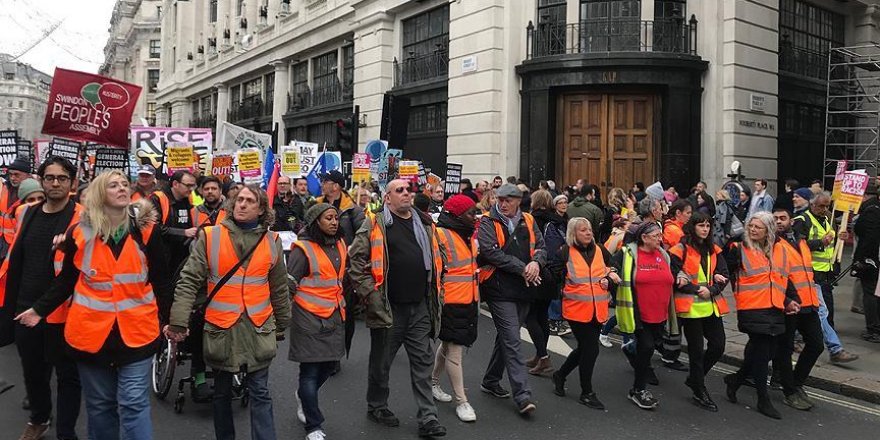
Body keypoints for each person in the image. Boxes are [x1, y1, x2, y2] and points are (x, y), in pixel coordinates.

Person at [16, 170, 174, 440]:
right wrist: (39, 309)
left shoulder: (146, 230)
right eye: (113, 185)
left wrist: (173, 321)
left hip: (137, 334)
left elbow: (161, 279)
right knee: (100, 407)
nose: (122, 188)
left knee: (133, 403)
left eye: (125, 184)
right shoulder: (81, 231)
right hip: (90, 336)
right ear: (101, 194)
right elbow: (67, 279)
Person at [166, 184, 291, 440]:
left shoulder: (272, 241)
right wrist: (178, 321)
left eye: (250, 201)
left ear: (262, 210)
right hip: (222, 328)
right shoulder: (211, 236)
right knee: (222, 394)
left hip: (258, 327)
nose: (242, 204)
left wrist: (282, 322)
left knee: (260, 391)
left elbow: (279, 287)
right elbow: (189, 280)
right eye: (239, 199)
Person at [348, 179, 447, 438]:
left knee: (423, 363)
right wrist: (370, 294)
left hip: (420, 306)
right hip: (388, 308)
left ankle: (428, 417)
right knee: (381, 363)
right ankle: (377, 405)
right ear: (387, 198)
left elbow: (440, 256)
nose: (406, 194)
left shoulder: (425, 223)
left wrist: (439, 285)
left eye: (408, 190)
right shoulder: (374, 223)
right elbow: (356, 262)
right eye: (399, 190)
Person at [0, 157, 82, 440]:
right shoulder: (26, 213)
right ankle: (39, 417)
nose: (55, 183)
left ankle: (67, 431)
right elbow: (15, 258)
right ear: (41, 180)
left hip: (65, 309)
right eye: (50, 177)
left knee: (67, 375)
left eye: (61, 178)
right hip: (26, 307)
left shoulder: (83, 216)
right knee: (33, 371)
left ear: (72, 183)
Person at [476, 183, 546, 415]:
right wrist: (524, 267)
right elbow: (490, 252)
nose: (503, 204)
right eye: (500, 199)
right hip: (499, 288)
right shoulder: (487, 220)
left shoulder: (528, 219)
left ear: (518, 200)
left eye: (508, 200)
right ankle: (523, 396)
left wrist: (536, 263)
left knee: (506, 337)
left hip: (524, 288)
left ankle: (491, 380)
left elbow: (541, 248)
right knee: (512, 338)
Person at [723, 212, 799, 419]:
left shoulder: (777, 250)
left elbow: (783, 279)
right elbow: (720, 270)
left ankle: (736, 380)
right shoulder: (738, 249)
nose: (753, 230)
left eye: (758, 227)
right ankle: (762, 399)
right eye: (751, 226)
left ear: (768, 231)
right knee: (763, 353)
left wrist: (791, 300)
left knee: (766, 351)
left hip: (775, 307)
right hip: (752, 308)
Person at [287, 203, 349, 439]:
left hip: (334, 314)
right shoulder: (302, 249)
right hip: (307, 317)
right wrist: (282, 318)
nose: (334, 222)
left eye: (336, 218)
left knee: (330, 365)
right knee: (310, 372)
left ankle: (304, 395)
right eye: (328, 218)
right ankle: (313, 425)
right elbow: (289, 285)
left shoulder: (341, 244)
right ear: (316, 223)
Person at [549, 218, 617, 410]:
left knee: (585, 349)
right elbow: (553, 276)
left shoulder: (600, 250)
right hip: (576, 310)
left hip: (598, 308)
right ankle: (586, 392)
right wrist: (558, 291)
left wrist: (609, 281)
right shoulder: (564, 253)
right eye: (583, 230)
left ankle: (560, 375)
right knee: (591, 349)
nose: (588, 233)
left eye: (589, 229)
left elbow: (611, 269)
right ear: (573, 234)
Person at [669, 212, 730, 412]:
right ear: (692, 227)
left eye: (707, 225)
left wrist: (712, 289)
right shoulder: (680, 249)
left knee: (718, 346)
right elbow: (674, 278)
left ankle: (695, 379)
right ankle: (699, 390)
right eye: (701, 225)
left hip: (711, 305)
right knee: (695, 351)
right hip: (690, 308)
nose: (705, 229)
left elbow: (724, 274)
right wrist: (696, 289)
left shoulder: (714, 249)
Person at [613, 221, 674, 409]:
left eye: (660, 235)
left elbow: (676, 273)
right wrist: (612, 273)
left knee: (650, 347)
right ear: (644, 238)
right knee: (647, 348)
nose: (660, 239)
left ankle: (631, 349)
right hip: (638, 311)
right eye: (656, 236)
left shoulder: (664, 254)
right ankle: (638, 390)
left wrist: (682, 277)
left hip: (660, 312)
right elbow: (610, 266)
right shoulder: (627, 254)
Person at [431, 194, 480, 422]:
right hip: (449, 301)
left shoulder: (467, 234)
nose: (475, 216)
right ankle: (462, 402)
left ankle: (432, 383)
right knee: (455, 350)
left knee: (448, 345)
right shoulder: (441, 234)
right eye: (471, 213)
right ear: (458, 215)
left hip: (467, 300)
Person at [772, 207, 825, 411]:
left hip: (809, 302)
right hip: (789, 304)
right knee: (784, 350)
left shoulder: (801, 242)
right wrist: (786, 300)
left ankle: (796, 382)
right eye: (775, 218)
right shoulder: (774, 244)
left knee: (816, 344)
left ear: (791, 221)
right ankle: (789, 391)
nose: (779, 221)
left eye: (782, 218)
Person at [523, 190, 559, 375]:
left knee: (530, 316)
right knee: (542, 315)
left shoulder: (531, 220)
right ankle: (539, 354)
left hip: (537, 269)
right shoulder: (558, 219)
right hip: (553, 273)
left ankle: (543, 357)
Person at [792, 192, 839, 327]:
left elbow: (832, 243)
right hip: (811, 269)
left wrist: (841, 237)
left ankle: (828, 328)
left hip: (827, 269)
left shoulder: (828, 218)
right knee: (818, 304)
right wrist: (820, 243)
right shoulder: (802, 220)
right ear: (812, 205)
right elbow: (797, 246)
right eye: (821, 206)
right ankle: (823, 330)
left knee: (827, 302)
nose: (824, 209)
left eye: (827, 206)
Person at [150, 170, 197, 277]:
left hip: (183, 256)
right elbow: (155, 229)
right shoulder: (157, 198)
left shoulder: (190, 200)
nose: (191, 189)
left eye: (193, 186)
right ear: (175, 184)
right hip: (163, 257)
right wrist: (183, 232)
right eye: (188, 185)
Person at [854, 179, 880, 342]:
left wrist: (863, 259)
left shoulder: (871, 211)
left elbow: (870, 238)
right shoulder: (874, 208)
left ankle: (873, 328)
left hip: (871, 258)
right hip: (874, 257)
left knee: (869, 292)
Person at [315, 170, 364, 246]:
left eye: (325, 182)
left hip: (345, 256)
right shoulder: (315, 206)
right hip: (321, 255)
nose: (321, 185)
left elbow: (362, 236)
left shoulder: (352, 210)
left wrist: (352, 252)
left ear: (335, 186)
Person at [546, 194, 571, 336]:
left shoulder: (566, 220)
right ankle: (554, 320)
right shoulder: (552, 223)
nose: (563, 205)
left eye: (565, 202)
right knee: (556, 290)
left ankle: (559, 318)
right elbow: (554, 243)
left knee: (562, 289)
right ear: (555, 205)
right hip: (556, 259)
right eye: (560, 203)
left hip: (566, 257)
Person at [1, 156, 31, 258]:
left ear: (27, 175)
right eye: (10, 174)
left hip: (17, 242)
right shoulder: (3, 187)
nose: (13, 178)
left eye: (17, 175)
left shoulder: (33, 195)